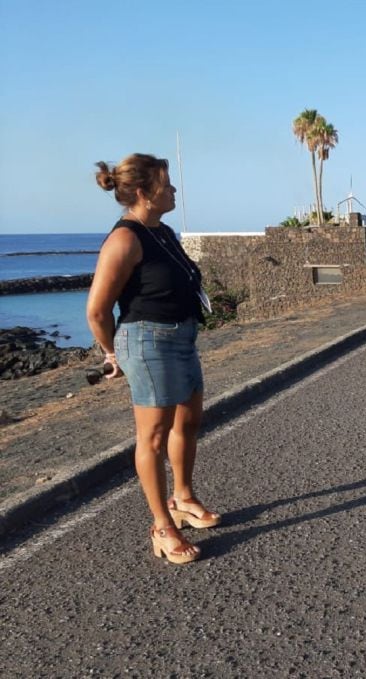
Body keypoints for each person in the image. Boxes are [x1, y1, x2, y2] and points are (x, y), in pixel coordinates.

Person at [87, 153, 220, 565]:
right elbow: (97, 311)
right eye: (168, 184)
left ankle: (182, 497)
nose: (175, 190)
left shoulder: (163, 232)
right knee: (153, 438)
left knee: (189, 421)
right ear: (144, 193)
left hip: (182, 337)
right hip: (147, 343)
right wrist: (114, 354)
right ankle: (162, 525)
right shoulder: (124, 240)